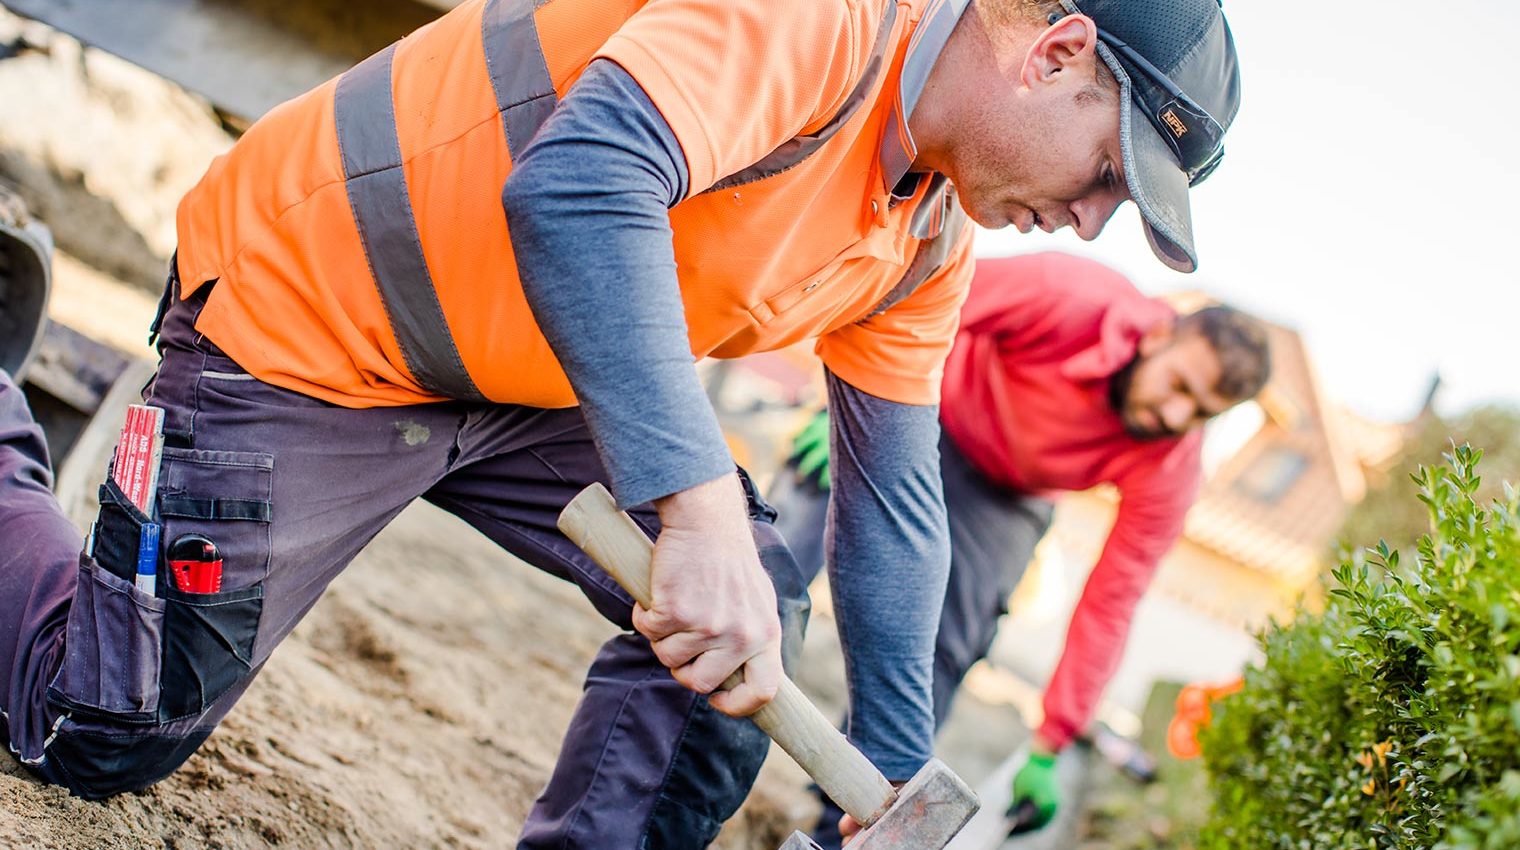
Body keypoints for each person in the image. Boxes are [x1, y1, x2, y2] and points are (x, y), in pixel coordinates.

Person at [0, 0, 1241, 846]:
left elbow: (892, 503)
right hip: (320, 309)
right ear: (1054, 52)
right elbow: (583, 185)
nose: (1092, 222)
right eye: (1106, 174)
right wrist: (696, 509)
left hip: (527, 387)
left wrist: (894, 770)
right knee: (96, 726)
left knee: (741, 628)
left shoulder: (924, 236)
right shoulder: (822, 21)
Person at [773, 252, 1271, 846]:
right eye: (1180, 385)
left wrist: (1051, 742)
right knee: (781, 551)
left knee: (947, 643)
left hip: (1011, 497)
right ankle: (698, 714)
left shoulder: (1172, 464)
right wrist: (844, 404)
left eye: (1202, 412)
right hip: (923, 406)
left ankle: (849, 823)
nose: (1176, 414)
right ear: (1160, 335)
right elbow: (922, 301)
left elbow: (1111, 601)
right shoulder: (1070, 295)